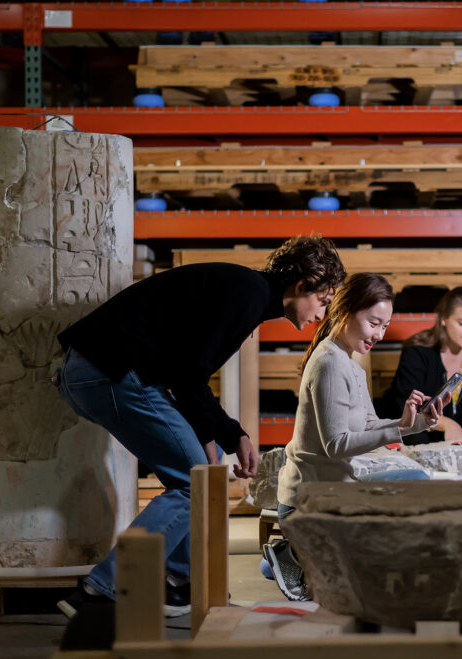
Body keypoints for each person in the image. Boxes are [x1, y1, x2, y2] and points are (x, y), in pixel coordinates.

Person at [54, 234, 345, 618]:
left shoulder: (247, 292)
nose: (320, 315)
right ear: (301, 285)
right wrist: (232, 434)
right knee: (191, 483)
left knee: (199, 472)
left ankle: (180, 583)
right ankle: (101, 590)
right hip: (111, 372)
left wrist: (209, 437)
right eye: (322, 302)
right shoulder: (248, 295)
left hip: (97, 372)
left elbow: (184, 368)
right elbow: (188, 377)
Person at [267, 273, 444, 600]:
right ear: (345, 310)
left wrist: (415, 423)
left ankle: (297, 552)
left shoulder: (350, 365)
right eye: (374, 323)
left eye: (385, 326)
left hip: (336, 487)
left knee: (417, 477)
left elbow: (367, 424)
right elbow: (336, 446)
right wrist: (398, 429)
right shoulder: (329, 363)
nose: (379, 334)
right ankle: (295, 552)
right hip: (309, 498)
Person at [381, 287, 462, 445]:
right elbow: (406, 404)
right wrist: (447, 424)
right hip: (421, 426)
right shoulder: (417, 351)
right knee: (417, 438)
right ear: (444, 319)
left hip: (459, 425)